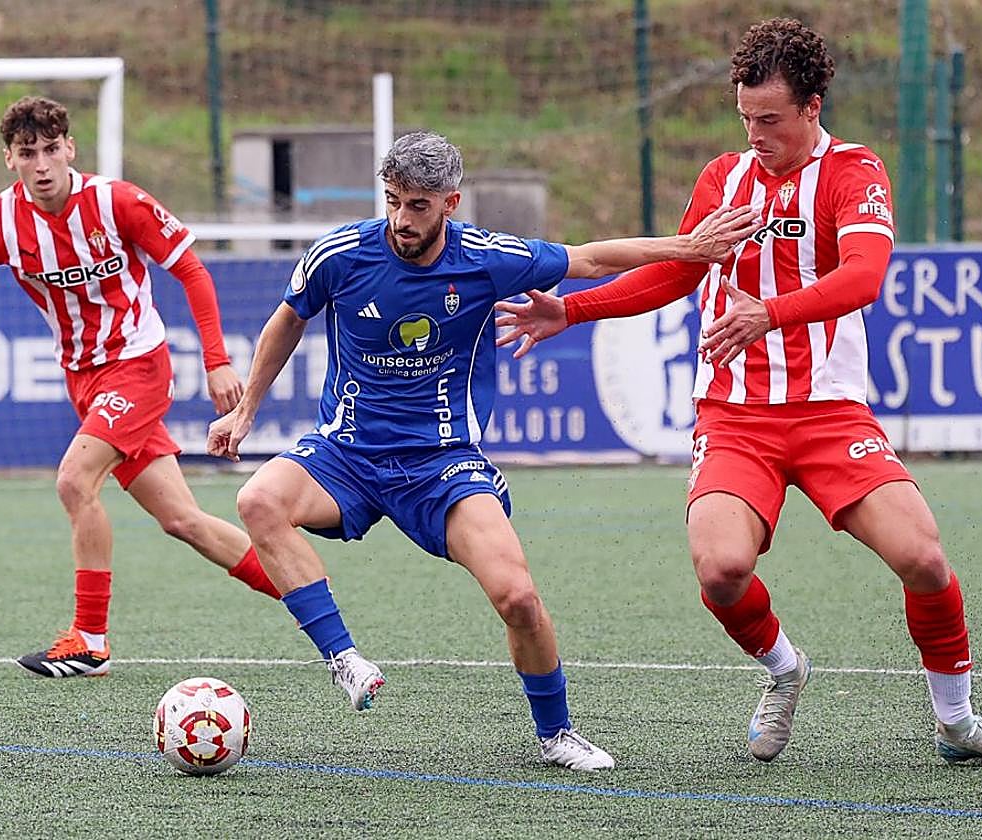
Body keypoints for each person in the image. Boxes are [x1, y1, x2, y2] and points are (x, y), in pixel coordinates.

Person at [495, 18, 982, 767]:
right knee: (721, 570)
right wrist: (573, 307)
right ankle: (786, 671)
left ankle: (957, 724)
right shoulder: (723, 180)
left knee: (922, 557)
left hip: (829, 413)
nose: (754, 133)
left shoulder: (855, 173)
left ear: (813, 107)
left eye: (771, 119)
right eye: (745, 117)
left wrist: (769, 313)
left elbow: (865, 277)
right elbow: (677, 271)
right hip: (733, 418)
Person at [205, 130, 759, 771]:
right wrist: (247, 407)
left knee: (517, 597)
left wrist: (686, 247)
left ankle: (555, 734)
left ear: (450, 202)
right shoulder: (340, 254)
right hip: (347, 453)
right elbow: (288, 317)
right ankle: (344, 659)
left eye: (417, 205)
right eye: (392, 202)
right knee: (259, 500)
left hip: (443, 462)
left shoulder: (486, 258)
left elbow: (591, 260)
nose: (401, 220)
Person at [0, 96, 281, 678]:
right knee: (183, 521)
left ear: (70, 147)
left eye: (51, 149)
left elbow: (191, 269)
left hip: (139, 367)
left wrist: (218, 362)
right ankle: (307, 592)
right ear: (9, 159)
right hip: (84, 380)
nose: (41, 164)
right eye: (28, 154)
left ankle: (89, 640)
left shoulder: (116, 201)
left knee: (74, 481)